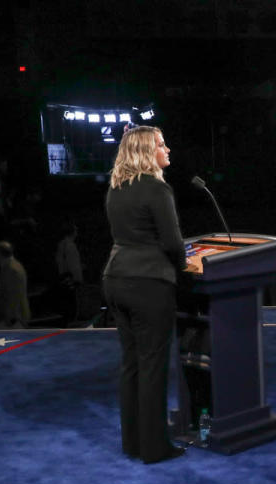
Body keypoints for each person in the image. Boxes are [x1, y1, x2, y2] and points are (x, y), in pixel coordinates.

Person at [102, 126, 187, 463]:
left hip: (115, 279)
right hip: (148, 283)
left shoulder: (116, 188)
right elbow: (172, 243)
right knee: (152, 366)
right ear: (147, 151)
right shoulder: (157, 189)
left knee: (131, 365)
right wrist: (182, 264)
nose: (168, 149)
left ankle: (133, 442)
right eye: (161, 144)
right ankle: (155, 448)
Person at [0, 240, 30, 329]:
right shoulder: (13, 266)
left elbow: (13, 294)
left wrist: (10, 317)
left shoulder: (11, 269)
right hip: (14, 317)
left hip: (14, 318)